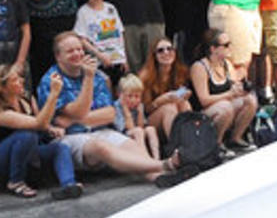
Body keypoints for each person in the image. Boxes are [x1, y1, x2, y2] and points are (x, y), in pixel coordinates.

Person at [37, 32, 176, 182]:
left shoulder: (96, 75)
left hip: (100, 130)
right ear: (58, 56)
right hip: (68, 138)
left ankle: (156, 176)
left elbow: (110, 114)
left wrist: (71, 120)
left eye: (79, 49)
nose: (77, 54)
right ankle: (164, 165)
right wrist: (88, 79)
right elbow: (77, 111)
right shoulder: (51, 80)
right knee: (101, 147)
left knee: (130, 145)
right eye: (70, 51)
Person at [0, 63, 75, 197]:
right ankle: (15, 182)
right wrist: (54, 94)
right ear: (2, 88)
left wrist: (51, 128)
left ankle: (69, 185)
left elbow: (42, 121)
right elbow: (38, 124)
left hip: (26, 151)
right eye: (15, 80)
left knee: (60, 147)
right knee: (26, 135)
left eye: (20, 77)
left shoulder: (26, 99)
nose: (21, 81)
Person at [187, 28, 259, 153]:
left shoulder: (226, 64)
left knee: (250, 100)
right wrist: (229, 94)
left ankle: (236, 138)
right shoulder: (200, 67)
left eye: (229, 44)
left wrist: (240, 89)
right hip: (204, 112)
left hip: (224, 105)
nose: (229, 47)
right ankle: (217, 144)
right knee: (225, 107)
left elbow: (233, 86)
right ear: (213, 49)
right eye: (225, 45)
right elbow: (204, 100)